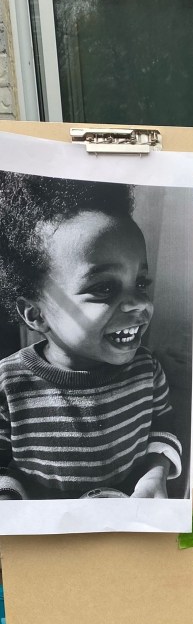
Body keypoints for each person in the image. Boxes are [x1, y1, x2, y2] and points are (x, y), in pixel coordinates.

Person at [0, 172, 181, 500]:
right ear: (36, 314)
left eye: (141, 283)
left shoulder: (146, 370)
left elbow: (165, 427)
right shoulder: (9, 385)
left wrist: (155, 472)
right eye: (104, 287)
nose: (139, 303)